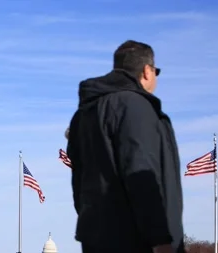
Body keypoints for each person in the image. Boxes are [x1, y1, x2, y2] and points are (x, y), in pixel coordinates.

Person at [66, 40, 185, 253]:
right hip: (136, 240)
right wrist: (160, 239)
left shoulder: (83, 114)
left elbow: (78, 179)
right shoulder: (135, 106)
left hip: (95, 236)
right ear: (147, 71)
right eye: (156, 71)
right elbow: (141, 173)